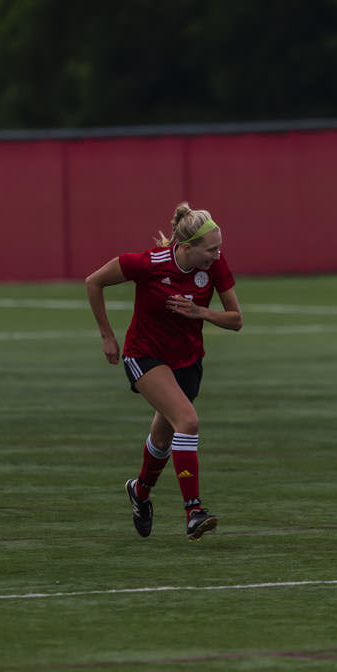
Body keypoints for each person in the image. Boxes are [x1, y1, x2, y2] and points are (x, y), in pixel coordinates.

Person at [85, 202, 242, 540]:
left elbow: (236, 320)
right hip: (144, 355)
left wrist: (200, 312)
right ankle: (193, 511)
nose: (217, 255)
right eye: (210, 249)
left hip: (187, 360)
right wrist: (107, 335)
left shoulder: (215, 265)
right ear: (186, 248)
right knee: (188, 420)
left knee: (163, 436)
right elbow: (93, 282)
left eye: (219, 248)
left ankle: (140, 492)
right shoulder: (147, 263)